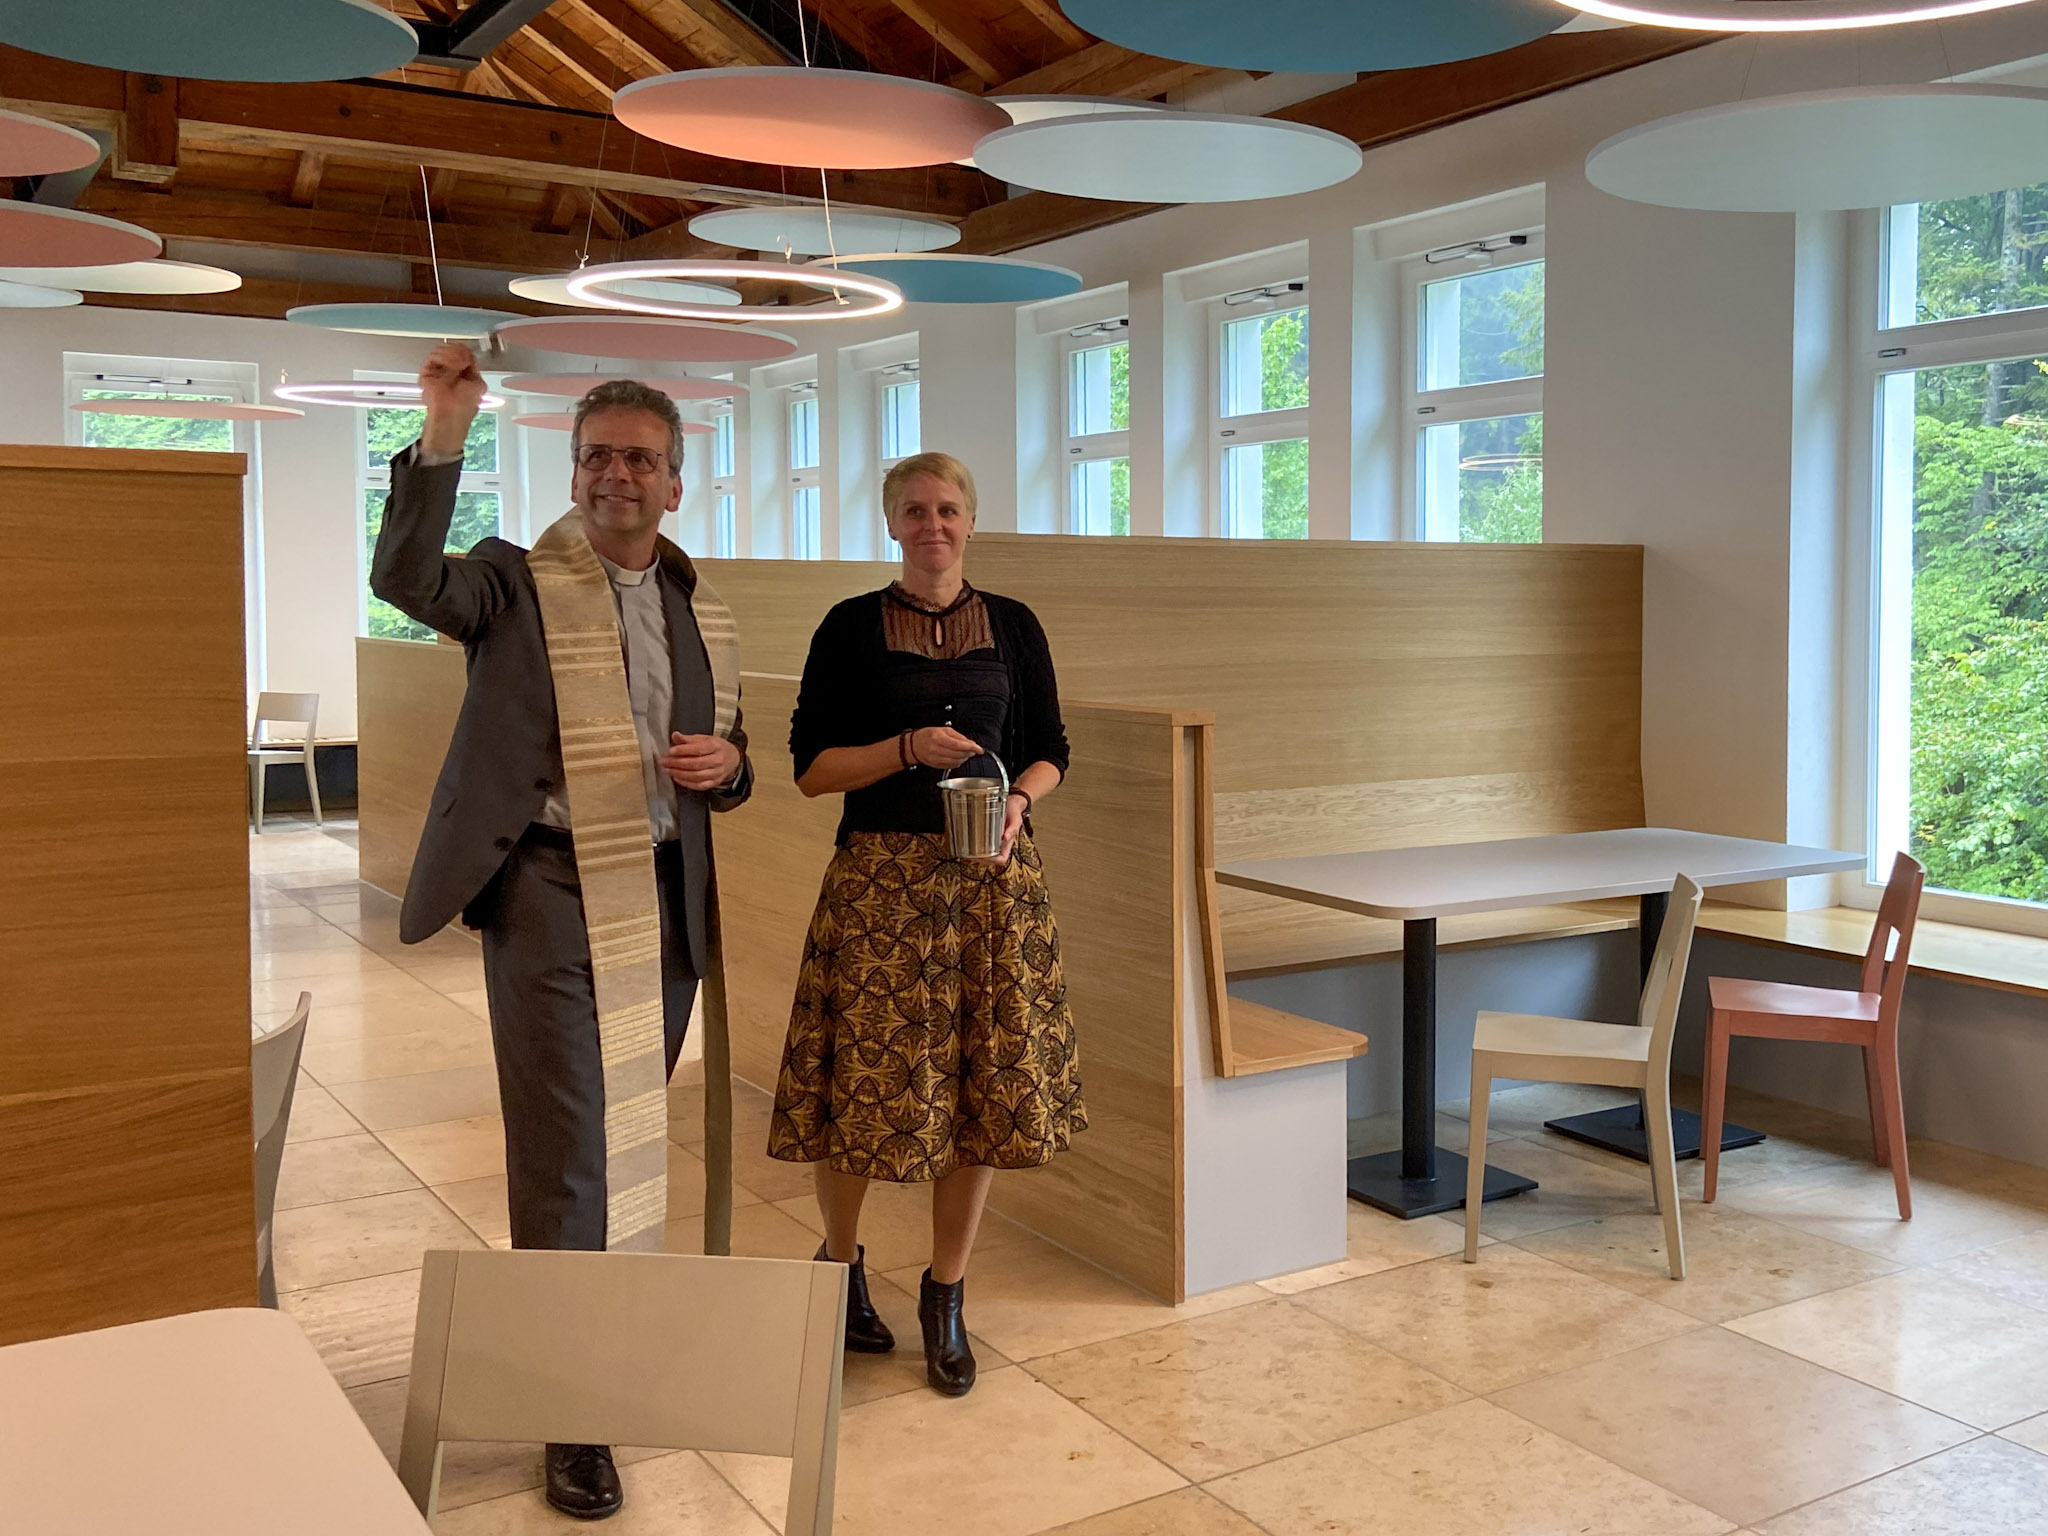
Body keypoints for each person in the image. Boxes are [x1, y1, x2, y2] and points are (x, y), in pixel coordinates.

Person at [371, 343, 752, 1521]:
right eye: (597, 457)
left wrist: (729, 765)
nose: (615, 476)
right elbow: (406, 579)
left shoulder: (694, 604)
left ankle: (608, 1346)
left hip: (662, 894)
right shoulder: (509, 580)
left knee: (631, 1134)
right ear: (573, 471)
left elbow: (724, 754)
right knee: (569, 1147)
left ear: (675, 482)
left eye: (639, 459)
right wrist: (445, 433)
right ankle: (567, 1410)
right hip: (547, 888)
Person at [767, 450, 1085, 1398]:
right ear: (891, 524)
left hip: (991, 886)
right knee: (859, 1085)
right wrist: (904, 747)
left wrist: (1019, 801)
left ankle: (945, 1293)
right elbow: (810, 769)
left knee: (981, 1090)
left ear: (971, 521)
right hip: (879, 886)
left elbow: (1051, 750)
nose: (932, 525)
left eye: (948, 509)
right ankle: (839, 1267)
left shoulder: (1015, 625)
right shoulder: (848, 626)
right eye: (914, 510)